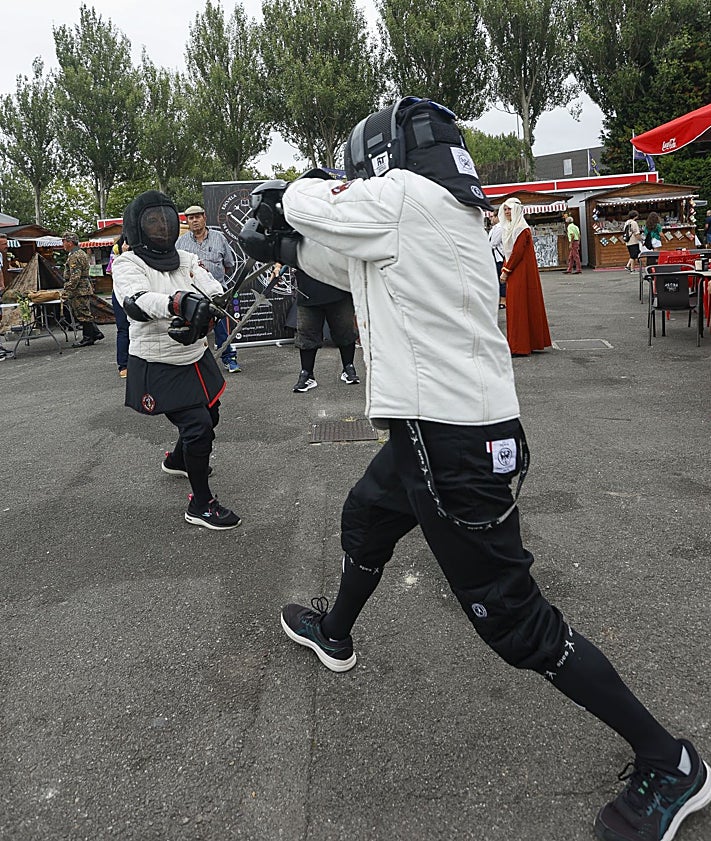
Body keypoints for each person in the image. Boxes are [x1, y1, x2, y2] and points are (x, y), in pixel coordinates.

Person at [238, 96, 711, 841]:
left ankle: (669, 760)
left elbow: (308, 203)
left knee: (516, 621)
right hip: (434, 433)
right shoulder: (443, 213)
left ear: (382, 159)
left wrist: (284, 197)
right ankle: (334, 630)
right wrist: (287, 251)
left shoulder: (403, 199)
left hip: (451, 444)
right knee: (366, 515)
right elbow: (342, 264)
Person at [111, 190, 241, 530]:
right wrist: (178, 303)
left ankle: (179, 460)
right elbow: (136, 301)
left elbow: (210, 285)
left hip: (193, 355)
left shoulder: (185, 258)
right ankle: (200, 505)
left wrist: (213, 304)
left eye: (165, 219)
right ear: (137, 226)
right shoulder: (127, 263)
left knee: (210, 414)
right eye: (153, 221)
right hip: (157, 361)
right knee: (198, 427)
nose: (162, 226)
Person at [176, 205, 241, 373]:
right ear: (187, 221)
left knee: (222, 329)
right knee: (194, 330)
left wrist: (212, 279)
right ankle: (194, 365)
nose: (195, 220)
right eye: (191, 218)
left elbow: (228, 264)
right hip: (193, 295)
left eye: (197, 217)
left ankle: (229, 359)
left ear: (204, 217)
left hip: (217, 293)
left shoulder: (219, 238)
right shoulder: (180, 243)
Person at [292, 266, 360, 393]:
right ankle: (307, 374)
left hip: (339, 287)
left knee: (345, 329)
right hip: (307, 291)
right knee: (306, 333)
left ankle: (348, 367)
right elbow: (286, 254)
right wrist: (278, 266)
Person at [499, 198, 552, 356]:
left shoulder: (521, 229)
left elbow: (517, 253)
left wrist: (506, 270)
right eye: (505, 209)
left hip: (520, 271)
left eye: (509, 209)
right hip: (518, 270)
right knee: (522, 304)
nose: (507, 212)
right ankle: (525, 343)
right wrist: (506, 267)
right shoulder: (513, 228)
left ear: (516, 210)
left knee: (518, 306)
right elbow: (510, 253)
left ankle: (519, 346)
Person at [61, 231, 104, 348]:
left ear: (70, 242)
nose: (63, 244)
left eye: (64, 241)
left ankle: (88, 338)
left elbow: (75, 276)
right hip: (82, 288)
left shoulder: (75, 256)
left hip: (79, 289)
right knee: (84, 312)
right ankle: (96, 333)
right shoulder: (79, 253)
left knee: (82, 314)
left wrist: (67, 290)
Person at [108, 235, 130, 378]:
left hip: (141, 290)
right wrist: (125, 255)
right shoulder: (117, 249)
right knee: (123, 329)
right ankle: (124, 365)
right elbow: (112, 271)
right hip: (120, 292)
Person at [488, 212, 506, 309]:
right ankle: (500, 300)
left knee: (501, 280)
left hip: (499, 257)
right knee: (497, 280)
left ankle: (503, 300)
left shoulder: (499, 228)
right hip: (494, 257)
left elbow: (493, 243)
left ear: (497, 217)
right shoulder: (493, 228)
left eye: (492, 216)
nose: (490, 218)